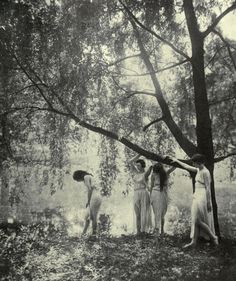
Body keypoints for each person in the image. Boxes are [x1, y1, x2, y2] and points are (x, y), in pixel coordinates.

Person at [170, 154, 218, 248]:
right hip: (197, 194)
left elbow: (208, 188)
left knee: (197, 219)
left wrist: (208, 202)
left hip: (202, 195)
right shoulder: (198, 170)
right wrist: (176, 161)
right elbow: (187, 167)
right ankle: (194, 242)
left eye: (195, 163)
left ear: (199, 163)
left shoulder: (205, 172)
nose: (193, 164)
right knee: (195, 218)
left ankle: (213, 237)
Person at [128, 154, 152, 238]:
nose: (137, 166)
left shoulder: (146, 173)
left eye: (139, 165)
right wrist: (139, 154)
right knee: (137, 213)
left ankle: (143, 231)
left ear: (142, 165)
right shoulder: (134, 172)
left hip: (143, 193)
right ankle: (138, 231)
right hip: (136, 193)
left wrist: (148, 158)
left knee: (144, 212)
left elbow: (151, 166)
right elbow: (130, 162)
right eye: (136, 165)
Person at [73, 170, 102, 237]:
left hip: (94, 197)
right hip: (97, 196)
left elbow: (90, 189)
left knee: (93, 217)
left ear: (79, 176)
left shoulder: (86, 177)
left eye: (77, 179)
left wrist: (88, 201)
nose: (78, 181)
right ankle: (84, 234)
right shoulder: (90, 176)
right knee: (87, 217)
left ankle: (94, 235)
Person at [150, 163, 176, 236]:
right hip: (157, 193)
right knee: (159, 213)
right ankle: (159, 230)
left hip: (160, 193)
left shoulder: (164, 173)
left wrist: (175, 162)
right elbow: (151, 186)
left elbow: (151, 186)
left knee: (160, 213)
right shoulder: (157, 174)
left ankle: (159, 231)